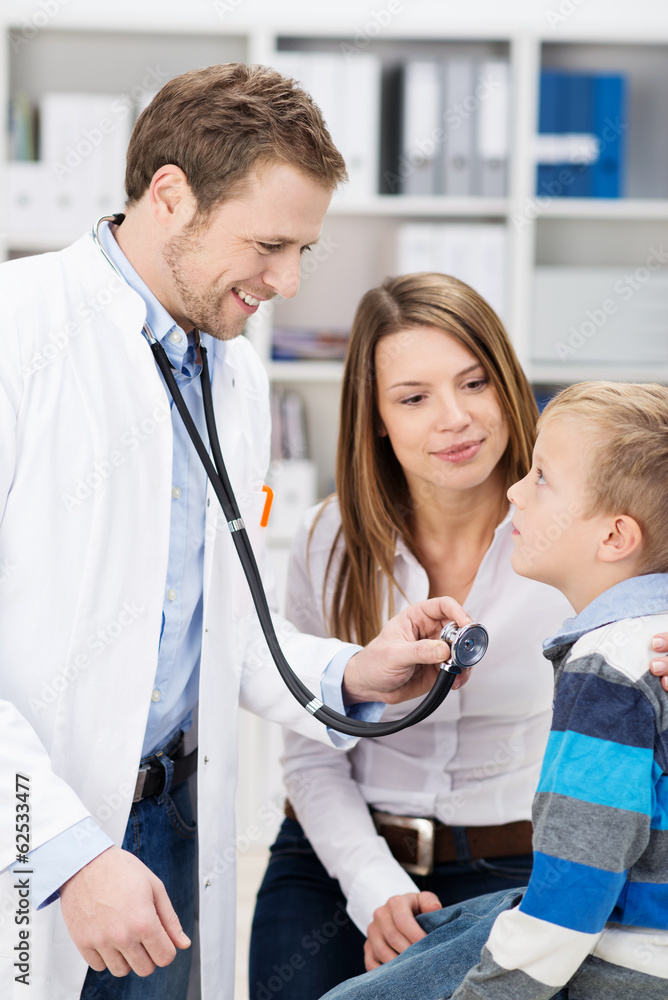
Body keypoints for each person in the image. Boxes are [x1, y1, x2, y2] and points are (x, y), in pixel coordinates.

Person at [0, 65, 471, 1000]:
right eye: (269, 244)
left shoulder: (234, 375)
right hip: (35, 827)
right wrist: (56, 849)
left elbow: (219, 623)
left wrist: (349, 673)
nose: (288, 281)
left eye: (305, 250)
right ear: (170, 194)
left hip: (172, 822)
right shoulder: (21, 331)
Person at [249, 273, 572, 1000]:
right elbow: (309, 750)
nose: (455, 419)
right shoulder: (327, 539)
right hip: (336, 856)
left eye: (474, 383)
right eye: (414, 398)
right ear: (376, 420)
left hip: (515, 863)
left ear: (509, 388)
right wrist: (373, 887)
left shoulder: (576, 535)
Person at [319, 380, 668, 1000]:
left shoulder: (607, 667)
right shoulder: (646, 640)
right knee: (439, 932)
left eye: (540, 478)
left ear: (614, 538)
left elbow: (578, 880)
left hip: (621, 962)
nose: (514, 492)